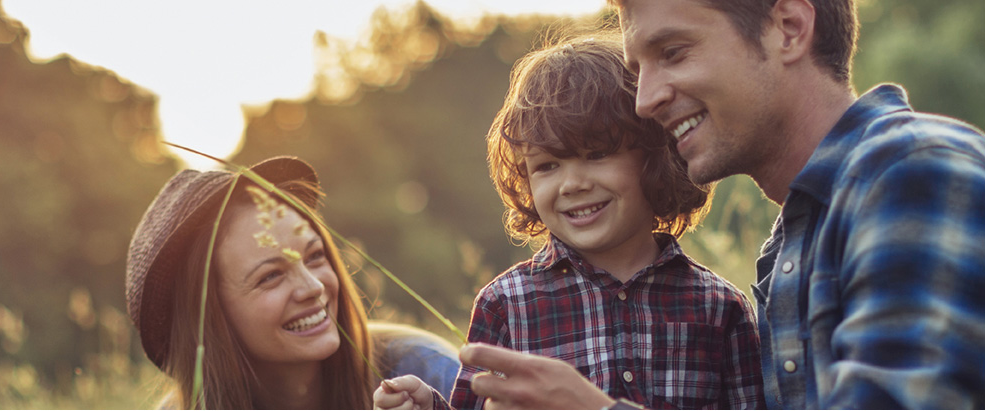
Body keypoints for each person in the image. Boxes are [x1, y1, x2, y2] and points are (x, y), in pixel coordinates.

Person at [460, 0, 985, 409]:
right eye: (638, 67)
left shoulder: (913, 172)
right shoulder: (791, 243)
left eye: (673, 52)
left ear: (788, 27)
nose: (645, 100)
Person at [378, 35, 763, 410]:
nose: (572, 184)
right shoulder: (505, 306)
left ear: (654, 157)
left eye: (597, 154)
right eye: (547, 165)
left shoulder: (718, 307)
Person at [125, 156, 461, 409]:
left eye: (315, 256)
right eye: (270, 276)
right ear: (209, 318)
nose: (313, 286)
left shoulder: (423, 371)